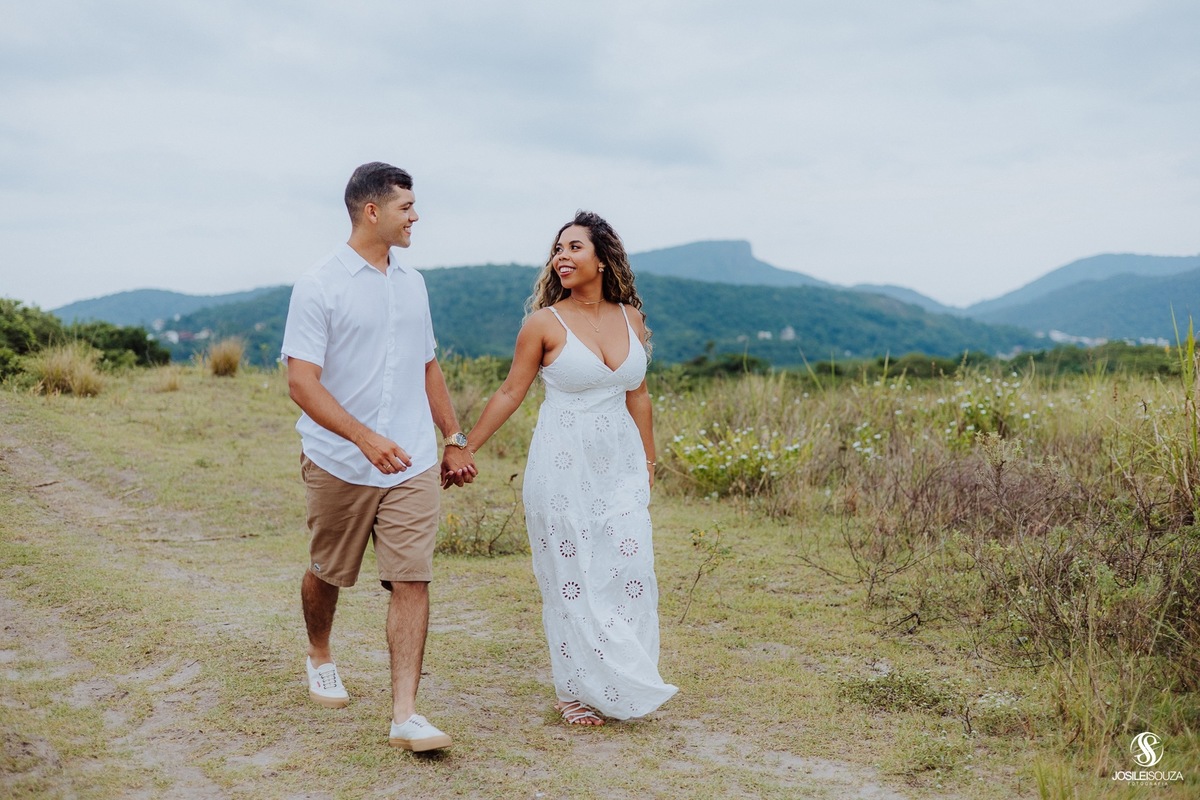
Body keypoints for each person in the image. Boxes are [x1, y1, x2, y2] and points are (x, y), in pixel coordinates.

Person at [280, 162, 476, 752]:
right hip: (339, 460)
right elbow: (302, 383)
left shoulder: (414, 283)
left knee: (412, 578)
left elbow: (427, 364)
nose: (416, 217)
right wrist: (363, 438)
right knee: (328, 572)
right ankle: (319, 654)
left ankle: (405, 715)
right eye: (406, 207)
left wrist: (452, 436)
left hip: (412, 460)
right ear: (372, 211)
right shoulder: (319, 284)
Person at [461, 210, 677, 726]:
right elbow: (511, 391)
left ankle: (622, 679)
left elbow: (639, 395)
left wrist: (649, 459)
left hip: (621, 464)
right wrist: (463, 447)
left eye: (574, 247)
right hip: (562, 465)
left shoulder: (632, 318)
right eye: (558, 248)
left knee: (628, 568)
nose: (562, 256)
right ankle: (574, 690)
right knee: (573, 576)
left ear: (602, 259)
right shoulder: (543, 324)